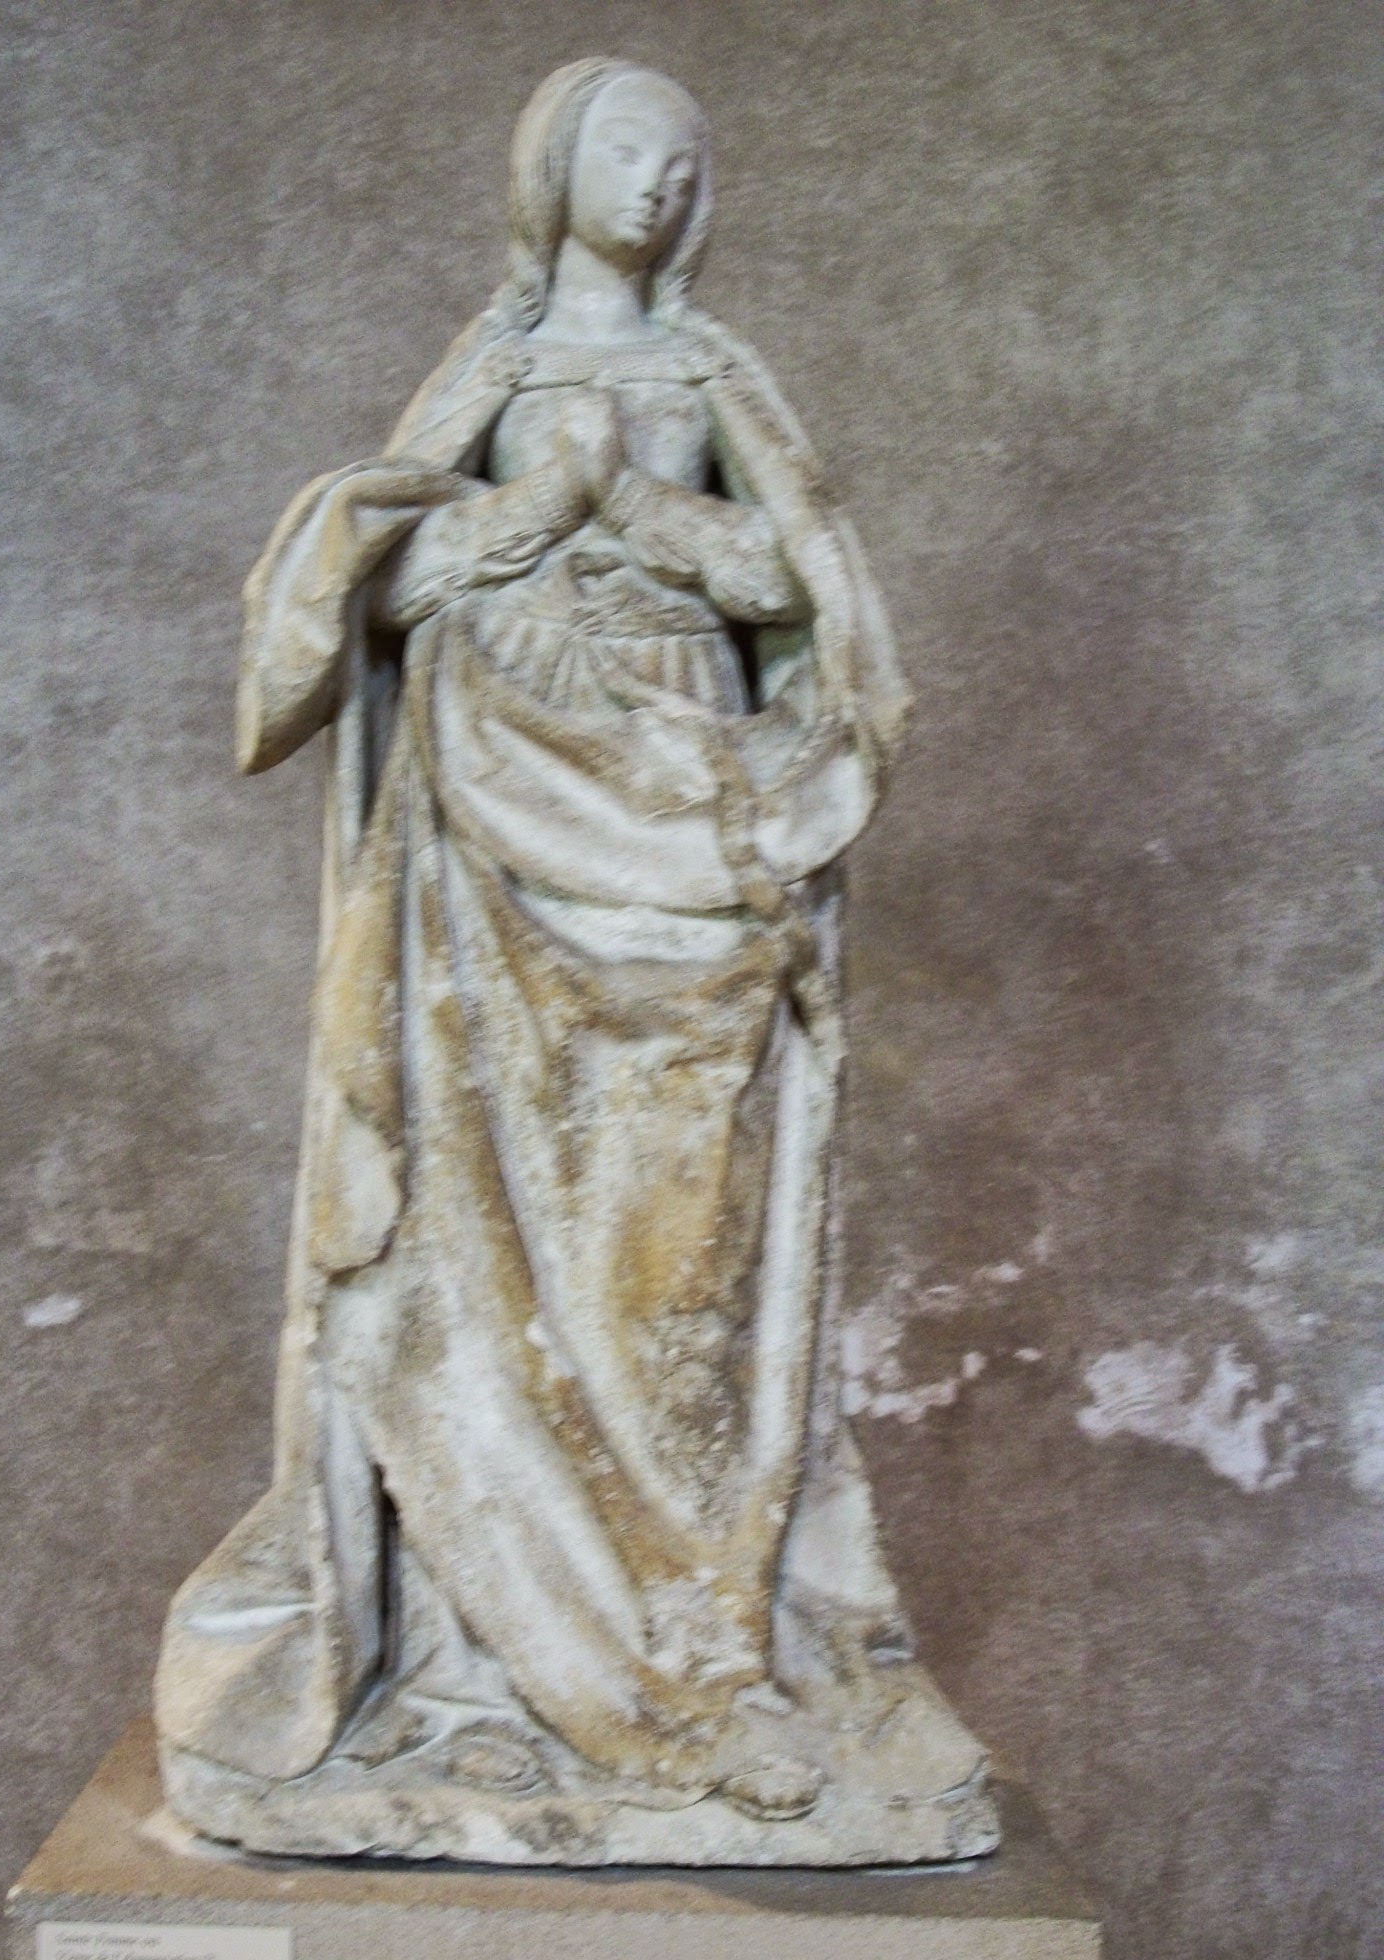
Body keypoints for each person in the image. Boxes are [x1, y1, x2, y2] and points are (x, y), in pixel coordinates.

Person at [156, 57, 995, 1863]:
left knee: (676, 1260)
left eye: (686, 157)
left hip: (683, 829)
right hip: (495, 840)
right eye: (628, 148)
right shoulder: (491, 368)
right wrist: (531, 507)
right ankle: (489, 1658)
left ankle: (695, 1641)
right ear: (552, 173)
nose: (661, 179)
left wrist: (636, 512)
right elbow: (377, 584)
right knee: (477, 1234)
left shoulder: (715, 375)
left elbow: (804, 586)